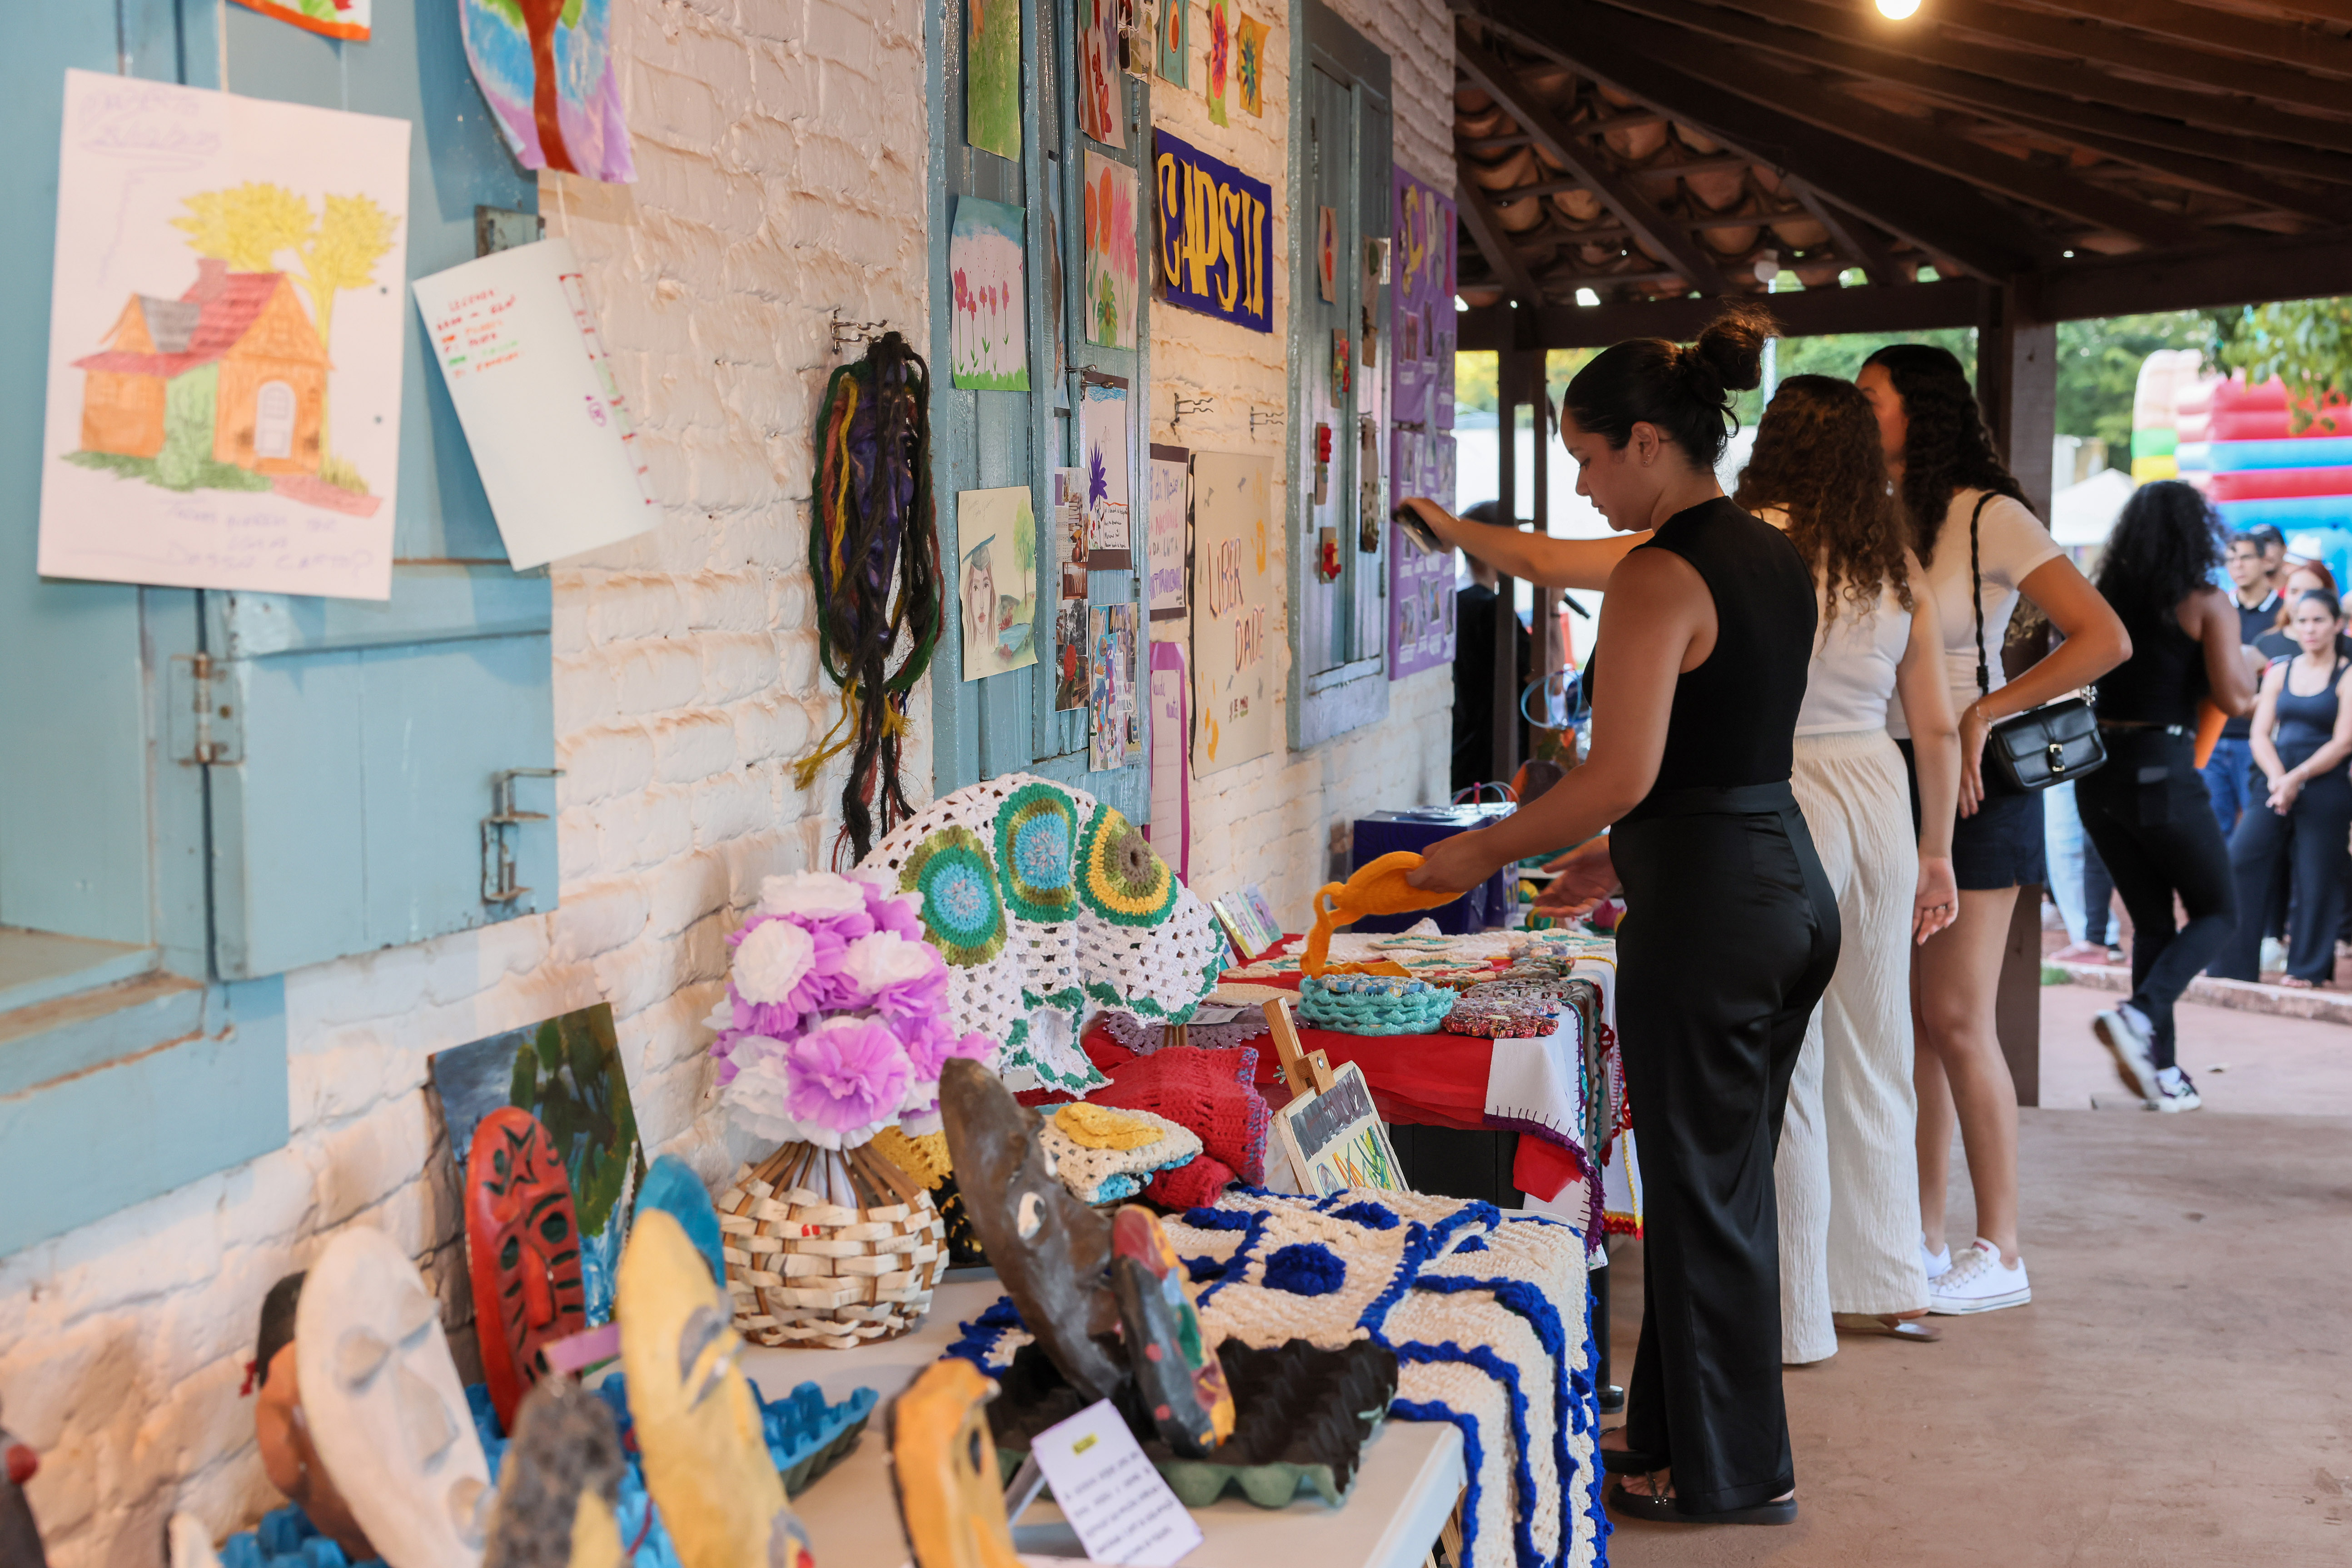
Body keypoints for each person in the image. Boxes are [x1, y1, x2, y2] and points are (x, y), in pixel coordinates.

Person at [1406, 304, 1835, 1525]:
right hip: (1783, 881)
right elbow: (1718, 751)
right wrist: (1616, 852)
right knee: (1723, 1183)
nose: (1584, 483)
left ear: (1648, 440)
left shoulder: (1661, 569)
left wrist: (1471, 854)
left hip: (1712, 908)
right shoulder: (1768, 551)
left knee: (1701, 1193)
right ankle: (1681, 1440)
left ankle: (1723, 1470)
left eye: (1589, 457)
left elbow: (1623, 769)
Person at [1856, 345, 2128, 1317]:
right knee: (1915, 1027)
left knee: (1959, 1018)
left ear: (1917, 411)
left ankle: (1999, 1245)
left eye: (1870, 399)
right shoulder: (1875, 509)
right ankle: (1922, 1239)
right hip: (1891, 775)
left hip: (1978, 786)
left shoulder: (1988, 514)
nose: (1857, 413)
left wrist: (1987, 710)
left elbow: (2103, 636)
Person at [1731, 376, 1960, 1363]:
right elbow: (1937, 723)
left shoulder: (1746, 540)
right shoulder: (1888, 557)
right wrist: (1937, 850)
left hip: (1782, 785)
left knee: (1790, 1053)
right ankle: (1887, 1280)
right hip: (1877, 789)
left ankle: (1793, 1313)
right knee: (1875, 1042)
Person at [2076, 482, 2258, 1111]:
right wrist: (2249, 661)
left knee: (2153, 921)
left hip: (2095, 776)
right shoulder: (2207, 602)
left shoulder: (2102, 596)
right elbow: (2236, 698)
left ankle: (2162, 1073)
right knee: (2220, 911)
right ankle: (2141, 1013)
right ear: (2196, 534)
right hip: (2162, 771)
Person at [2212, 589, 2352, 989]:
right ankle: (2231, 966)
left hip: (2326, 785)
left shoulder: (2347, 674)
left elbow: (2343, 742)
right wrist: (2278, 777)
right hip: (2272, 783)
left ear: (2337, 625)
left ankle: (2307, 970)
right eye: (2302, 621)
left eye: (2319, 620)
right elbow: (2259, 733)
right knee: (2241, 860)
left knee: (2316, 875)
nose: (2310, 629)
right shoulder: (2280, 670)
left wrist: (2297, 777)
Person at [1449, 501, 1535, 793]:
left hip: (1465, 753)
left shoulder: (1456, 602)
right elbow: (1547, 684)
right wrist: (1551, 606)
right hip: (1499, 758)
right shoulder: (1493, 609)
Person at [2202, 532, 2282, 835]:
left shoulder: (2285, 615)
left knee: (2258, 829)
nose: (2238, 565)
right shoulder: (2217, 610)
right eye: (2231, 559)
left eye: (2246, 557)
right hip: (2214, 733)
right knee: (2213, 831)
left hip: (2260, 738)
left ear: (2266, 560)